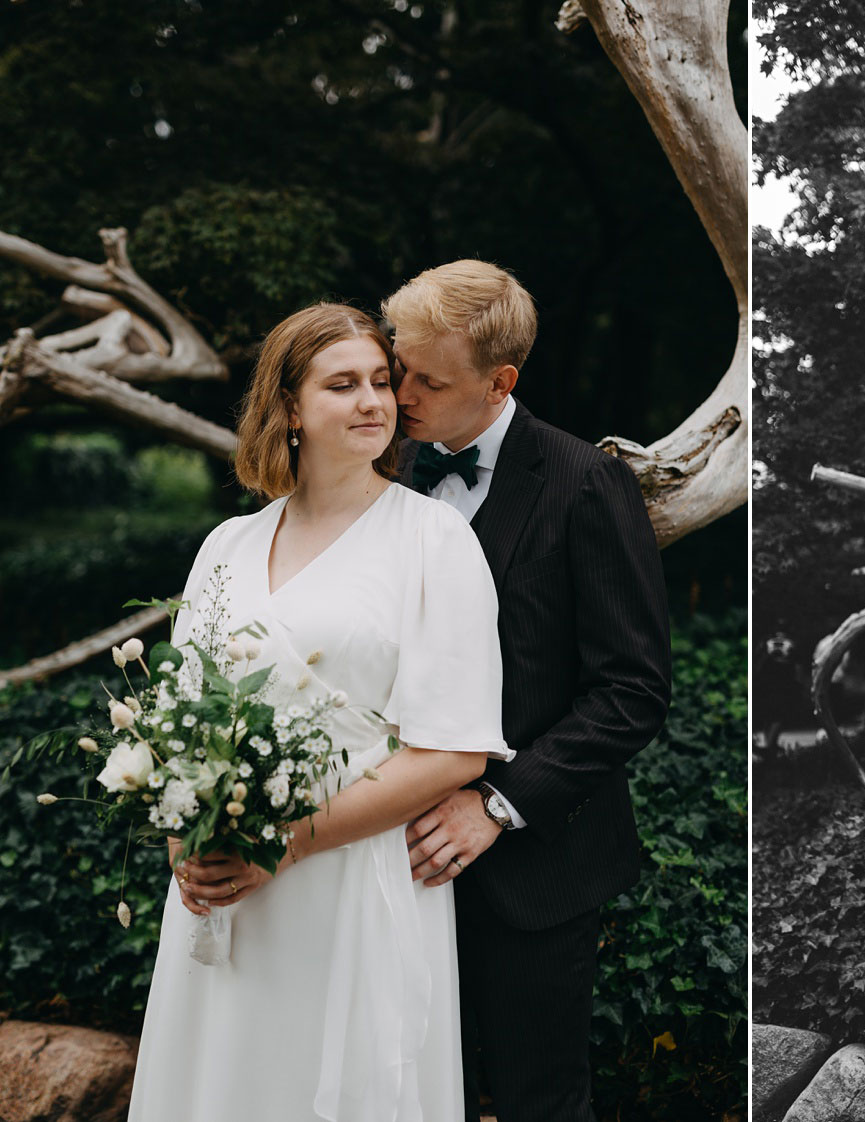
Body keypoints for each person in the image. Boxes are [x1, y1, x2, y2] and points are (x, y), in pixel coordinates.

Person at [128, 303, 508, 1121]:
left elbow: (453, 753)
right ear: (289, 407)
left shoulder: (434, 541)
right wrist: (184, 842)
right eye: (343, 385)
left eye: (381, 381)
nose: (374, 401)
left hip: (350, 877)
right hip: (221, 882)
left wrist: (286, 843)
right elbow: (176, 719)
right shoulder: (226, 545)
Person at [382, 260, 672, 1122]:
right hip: (389, 854)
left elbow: (632, 690)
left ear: (500, 382)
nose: (398, 392)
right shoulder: (385, 474)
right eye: (399, 365)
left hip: (531, 867)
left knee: (538, 1103)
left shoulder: (586, 484)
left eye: (427, 379)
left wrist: (498, 806)